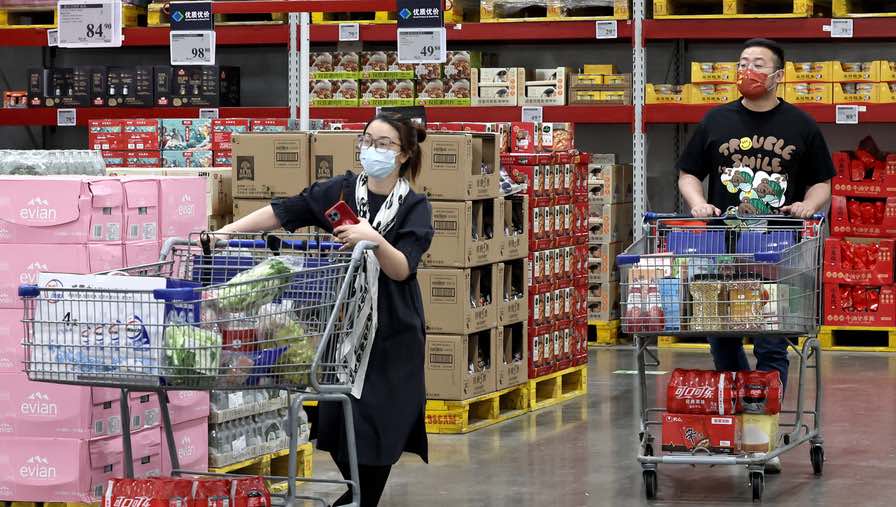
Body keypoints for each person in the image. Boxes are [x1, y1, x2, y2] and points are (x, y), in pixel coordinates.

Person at [217, 111, 434, 506]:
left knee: (381, 428)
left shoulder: (414, 206)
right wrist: (226, 232)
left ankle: (359, 499)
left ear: (403, 154)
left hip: (393, 334)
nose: (373, 150)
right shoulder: (342, 190)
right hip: (345, 329)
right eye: (368, 141)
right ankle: (356, 498)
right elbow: (287, 210)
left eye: (384, 144)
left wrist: (371, 238)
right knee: (340, 423)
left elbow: (402, 268)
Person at [676, 38, 834, 470]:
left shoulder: (801, 125)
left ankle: (761, 433)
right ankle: (739, 418)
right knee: (721, 336)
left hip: (777, 251)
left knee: (771, 341)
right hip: (722, 250)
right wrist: (697, 203)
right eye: (743, 62)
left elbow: (822, 181)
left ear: (778, 75)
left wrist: (809, 205)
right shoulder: (716, 120)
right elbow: (689, 173)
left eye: (759, 64)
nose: (748, 70)